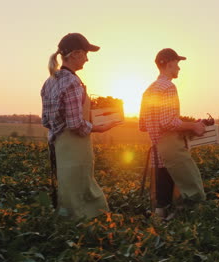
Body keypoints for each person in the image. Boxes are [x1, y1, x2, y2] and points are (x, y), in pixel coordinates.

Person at [41, 33, 120, 219]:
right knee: (84, 190)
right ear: (75, 54)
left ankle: (66, 227)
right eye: (85, 53)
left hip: (59, 146)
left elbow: (45, 120)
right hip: (76, 146)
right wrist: (98, 127)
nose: (87, 58)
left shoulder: (49, 81)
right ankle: (91, 230)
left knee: (67, 190)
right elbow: (76, 124)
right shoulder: (73, 82)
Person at [139, 48, 206, 219]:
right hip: (171, 149)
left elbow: (143, 125)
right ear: (169, 64)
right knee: (192, 188)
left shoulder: (149, 90)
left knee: (162, 202)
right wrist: (193, 126)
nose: (179, 68)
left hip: (157, 151)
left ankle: (160, 224)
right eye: (177, 63)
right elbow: (167, 122)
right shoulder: (168, 87)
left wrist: (179, 121)